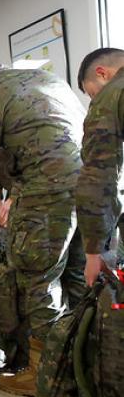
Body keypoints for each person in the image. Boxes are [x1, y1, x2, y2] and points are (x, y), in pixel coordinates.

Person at [0, 54, 86, 397]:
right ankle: (88, 370)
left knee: (39, 277)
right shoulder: (47, 81)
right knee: (80, 278)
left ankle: (47, 378)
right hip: (96, 187)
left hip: (46, 191)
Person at [76, 48, 124, 286]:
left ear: (102, 73)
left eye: (92, 95)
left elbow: (96, 177)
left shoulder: (111, 96)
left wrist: (94, 253)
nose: (94, 101)